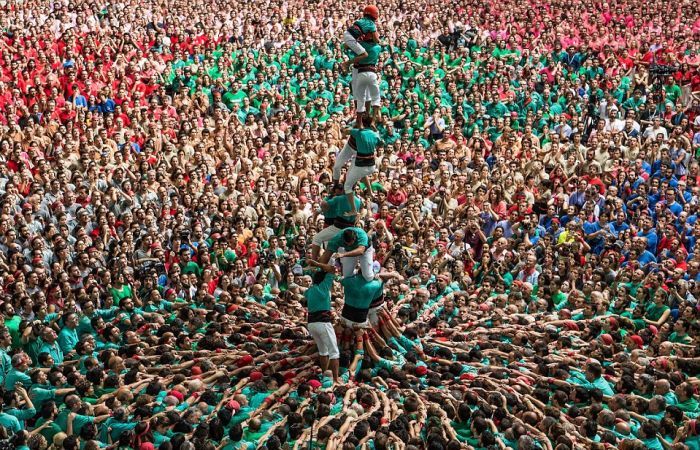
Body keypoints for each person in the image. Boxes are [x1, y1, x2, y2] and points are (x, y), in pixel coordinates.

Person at [304, 260, 340, 383]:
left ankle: (325, 375)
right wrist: (318, 264)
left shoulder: (309, 291)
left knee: (323, 351)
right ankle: (335, 379)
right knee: (334, 352)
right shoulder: (324, 287)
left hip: (311, 324)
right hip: (323, 323)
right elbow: (333, 269)